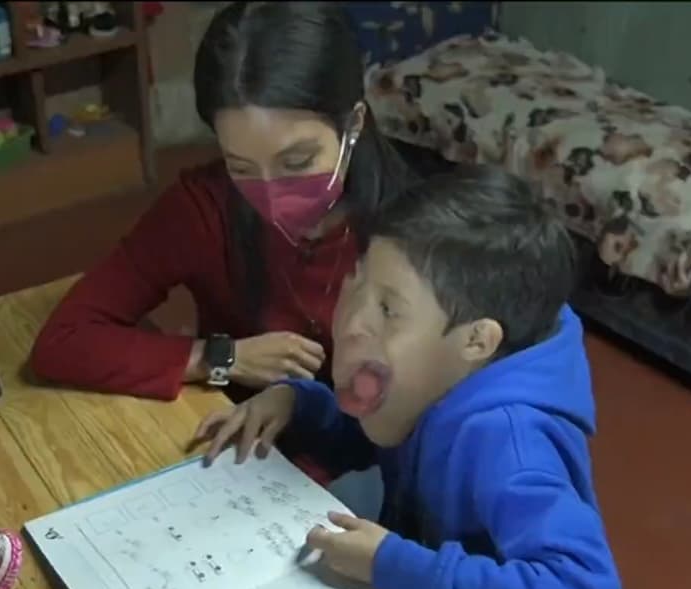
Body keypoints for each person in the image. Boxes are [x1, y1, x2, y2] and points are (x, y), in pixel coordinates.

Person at [190, 165, 622, 589]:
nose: (353, 319)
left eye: (389, 309)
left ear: (476, 341)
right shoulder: (441, 374)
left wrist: (398, 565)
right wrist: (299, 404)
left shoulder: (509, 443)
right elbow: (376, 437)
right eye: (359, 282)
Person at [29, 1, 414, 411]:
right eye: (241, 166)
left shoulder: (418, 225)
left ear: (353, 124)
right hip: (241, 446)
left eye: (297, 162)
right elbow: (65, 339)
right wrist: (222, 358)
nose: (270, 191)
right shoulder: (204, 210)